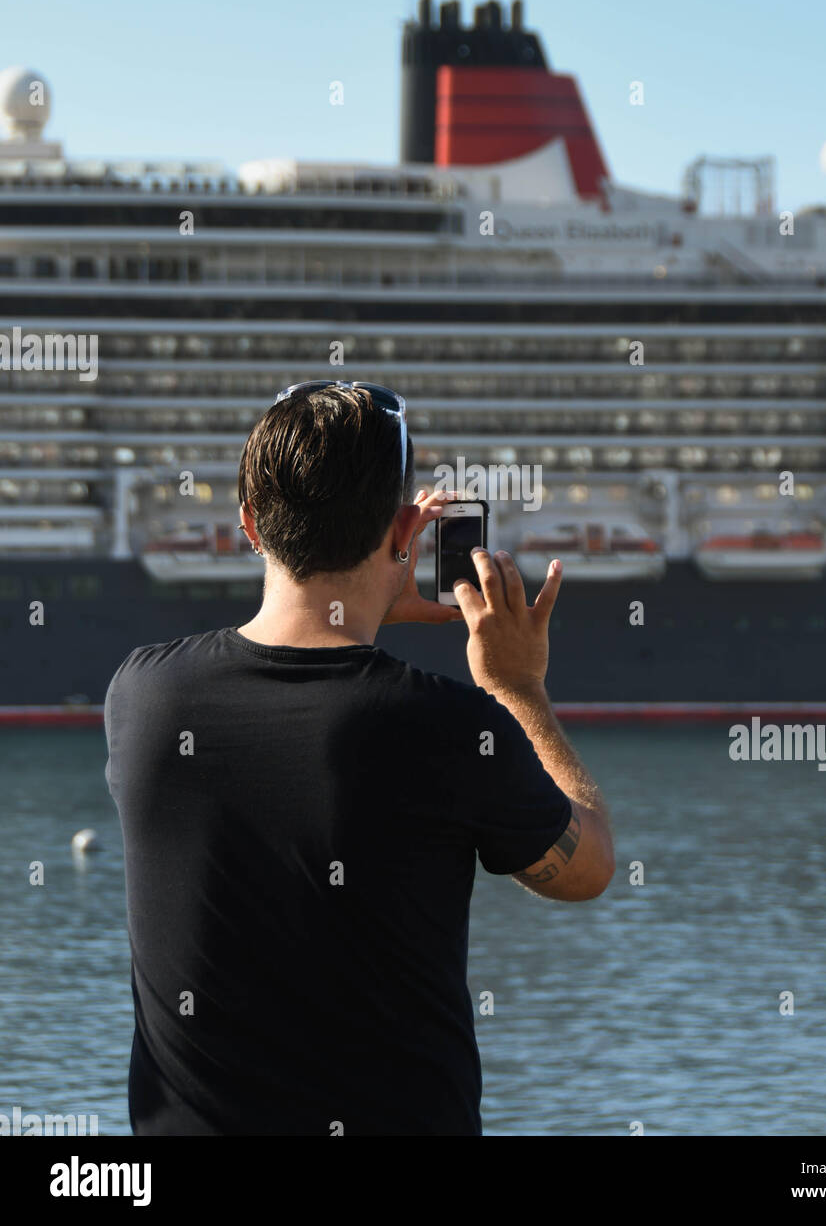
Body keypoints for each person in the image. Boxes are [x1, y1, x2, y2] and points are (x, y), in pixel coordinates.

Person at [104, 382, 614, 1136]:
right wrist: (518, 688)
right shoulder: (448, 726)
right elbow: (588, 865)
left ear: (249, 523)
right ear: (405, 529)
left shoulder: (144, 697)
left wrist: (368, 589)